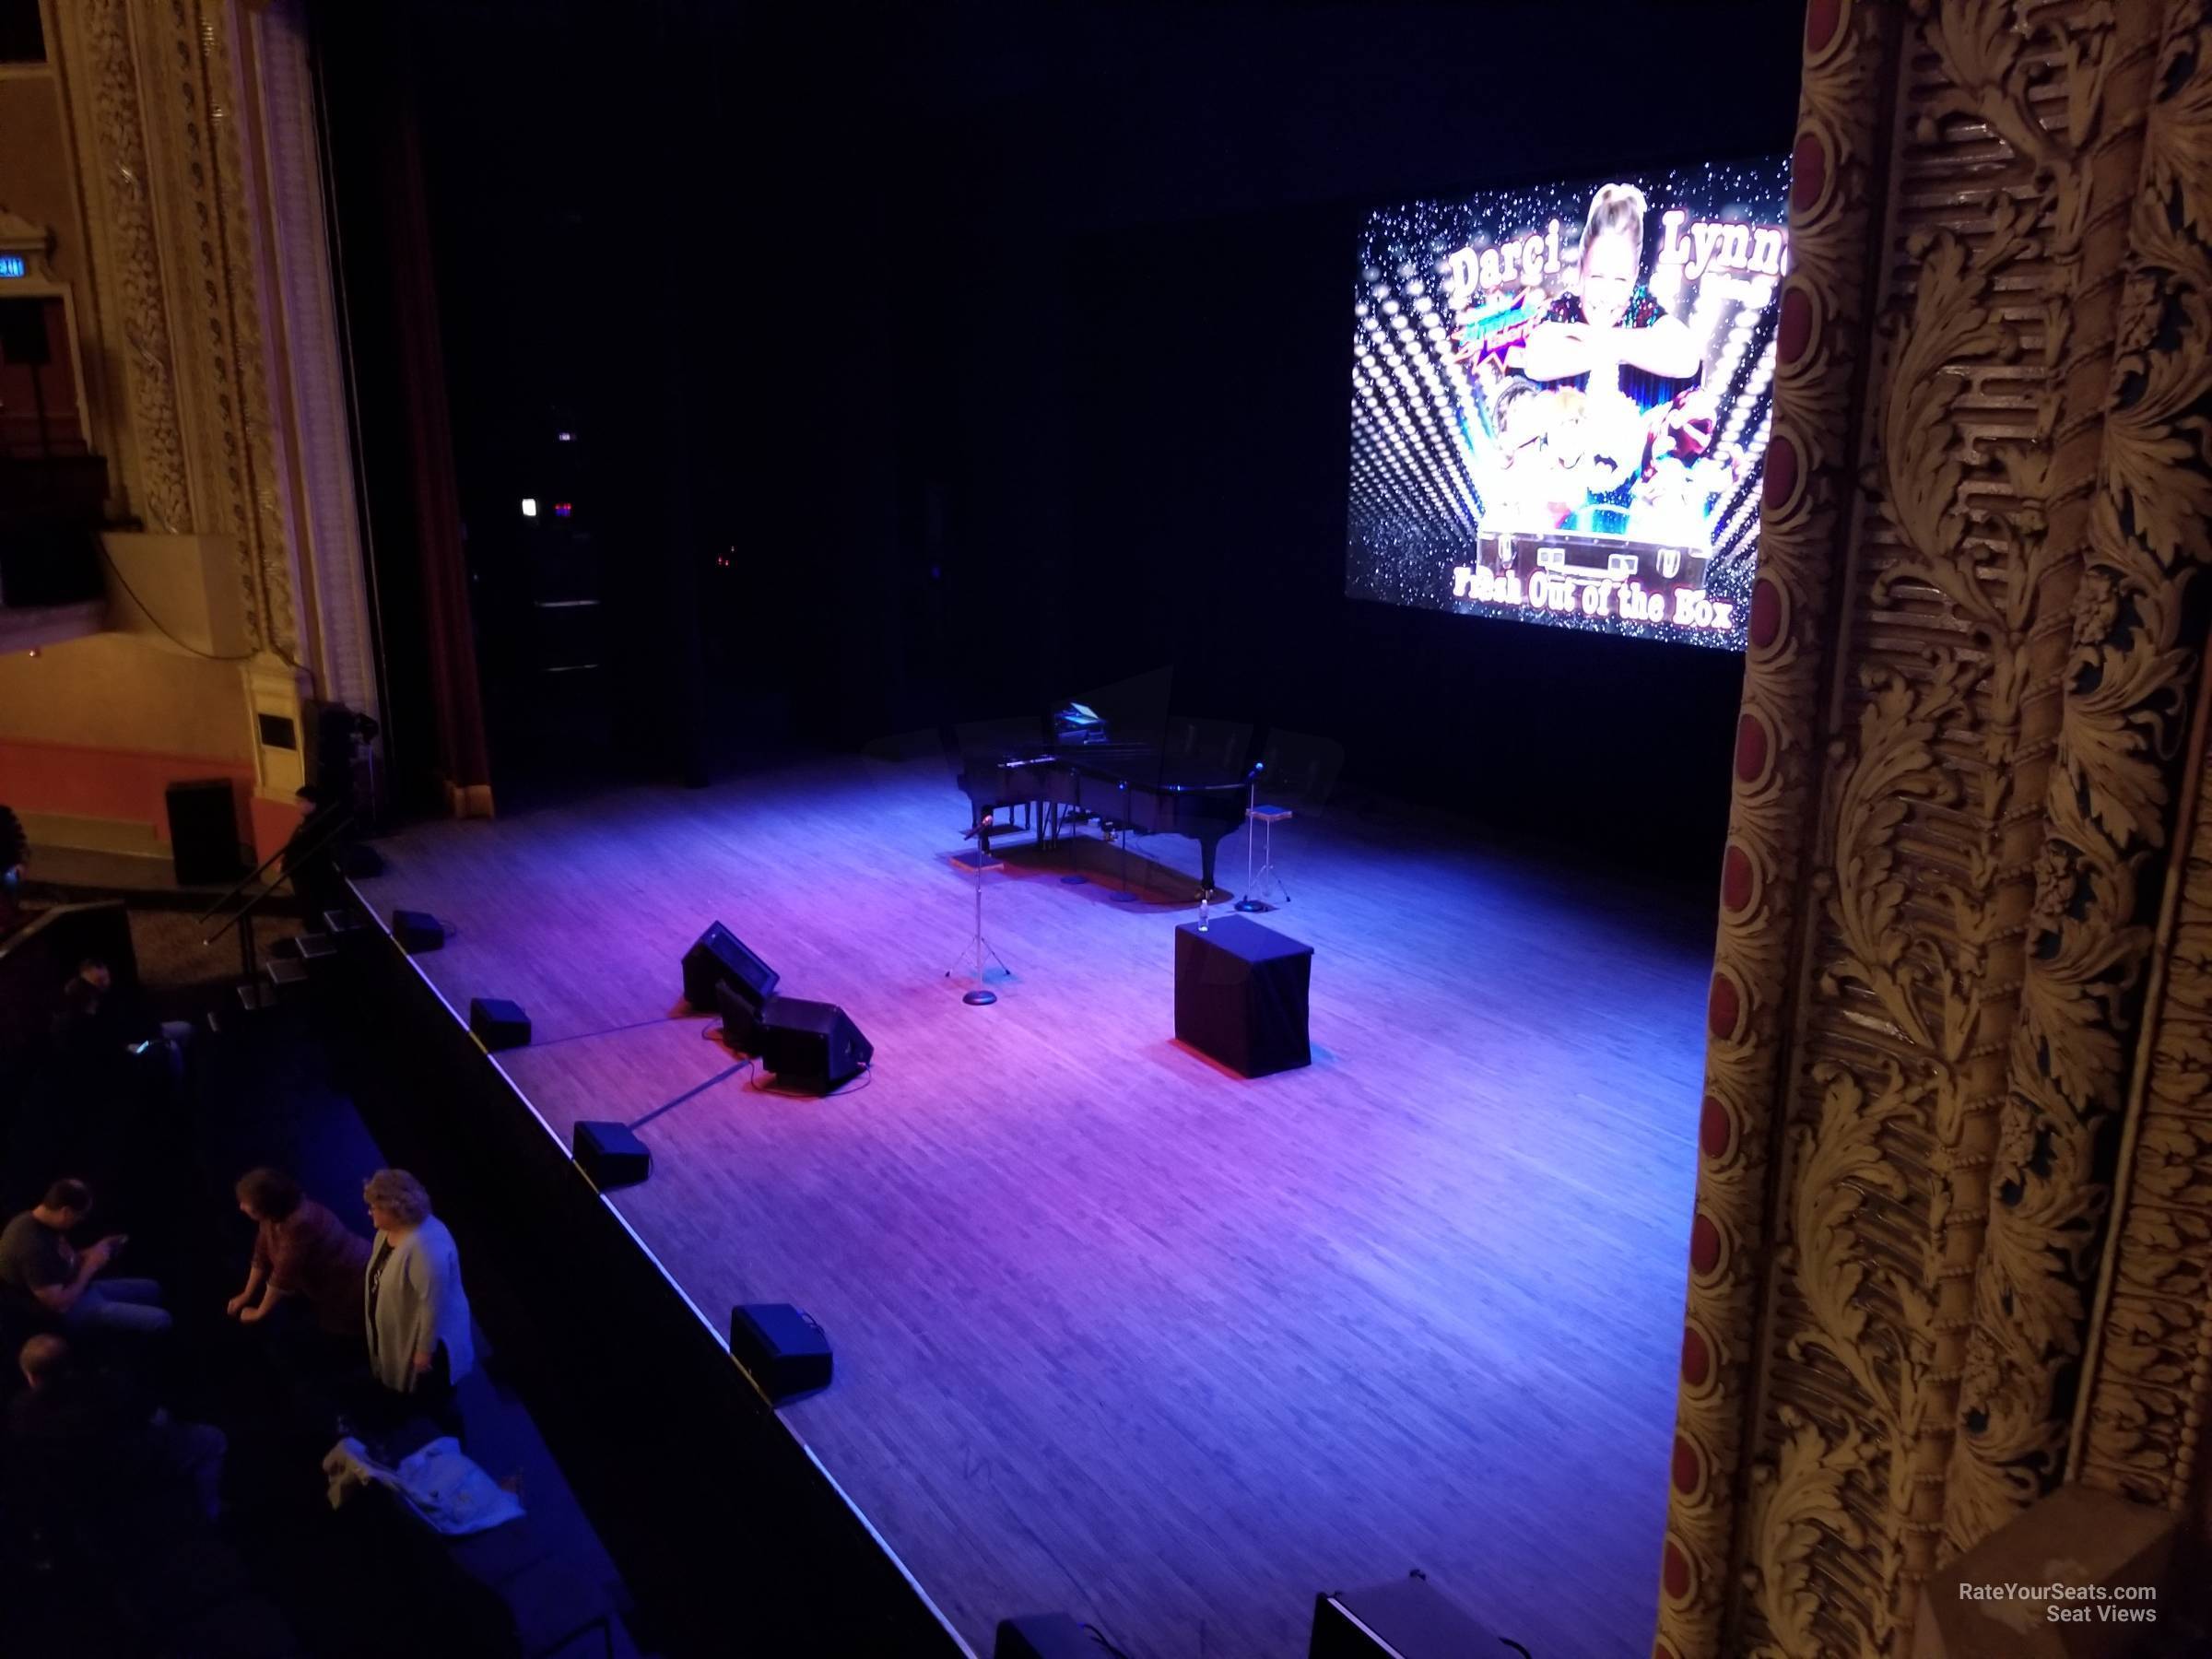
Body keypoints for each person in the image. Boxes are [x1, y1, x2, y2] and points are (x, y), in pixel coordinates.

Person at [1521, 183, 1703, 536]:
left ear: (1635, 280)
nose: (1606, 294)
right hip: (1564, 487)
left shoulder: (1642, 308)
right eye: (1597, 277)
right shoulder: (1564, 308)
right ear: (1580, 275)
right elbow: (1536, 359)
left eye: (1620, 280)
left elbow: (1686, 358)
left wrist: (1599, 341)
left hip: (1630, 491)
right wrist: (1626, 346)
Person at [7, 1334, 224, 1523]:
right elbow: (147, 1415)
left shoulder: (20, 1411)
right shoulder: (101, 1391)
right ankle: (209, 1514)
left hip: (73, 1492)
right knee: (213, 1439)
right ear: (69, 1367)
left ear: (31, 1377)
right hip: (127, 1469)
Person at [361, 1170, 474, 1428]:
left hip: (429, 1344)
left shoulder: (427, 1249)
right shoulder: (387, 1232)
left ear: (395, 1211)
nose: (370, 1212)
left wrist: (424, 1351)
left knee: (433, 1398)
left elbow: (431, 1306)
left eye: (374, 1207)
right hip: (403, 1330)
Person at [0, 1178, 170, 1339]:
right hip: (70, 1311)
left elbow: (61, 1260)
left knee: (153, 1288)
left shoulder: (38, 1222)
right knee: (161, 1319)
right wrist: (91, 1266)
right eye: (80, 1216)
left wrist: (94, 1250)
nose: (80, 1221)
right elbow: (59, 1305)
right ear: (65, 1211)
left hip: (79, 1288)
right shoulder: (32, 1245)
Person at [229, 1168, 371, 1347]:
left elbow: (282, 1275)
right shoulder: (272, 1218)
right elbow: (261, 1253)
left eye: (246, 1203)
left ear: (267, 1204)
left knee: (350, 1337)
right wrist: (246, 1295)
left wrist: (259, 1313)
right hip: (332, 1284)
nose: (241, 1207)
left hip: (352, 1280)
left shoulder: (300, 1222)